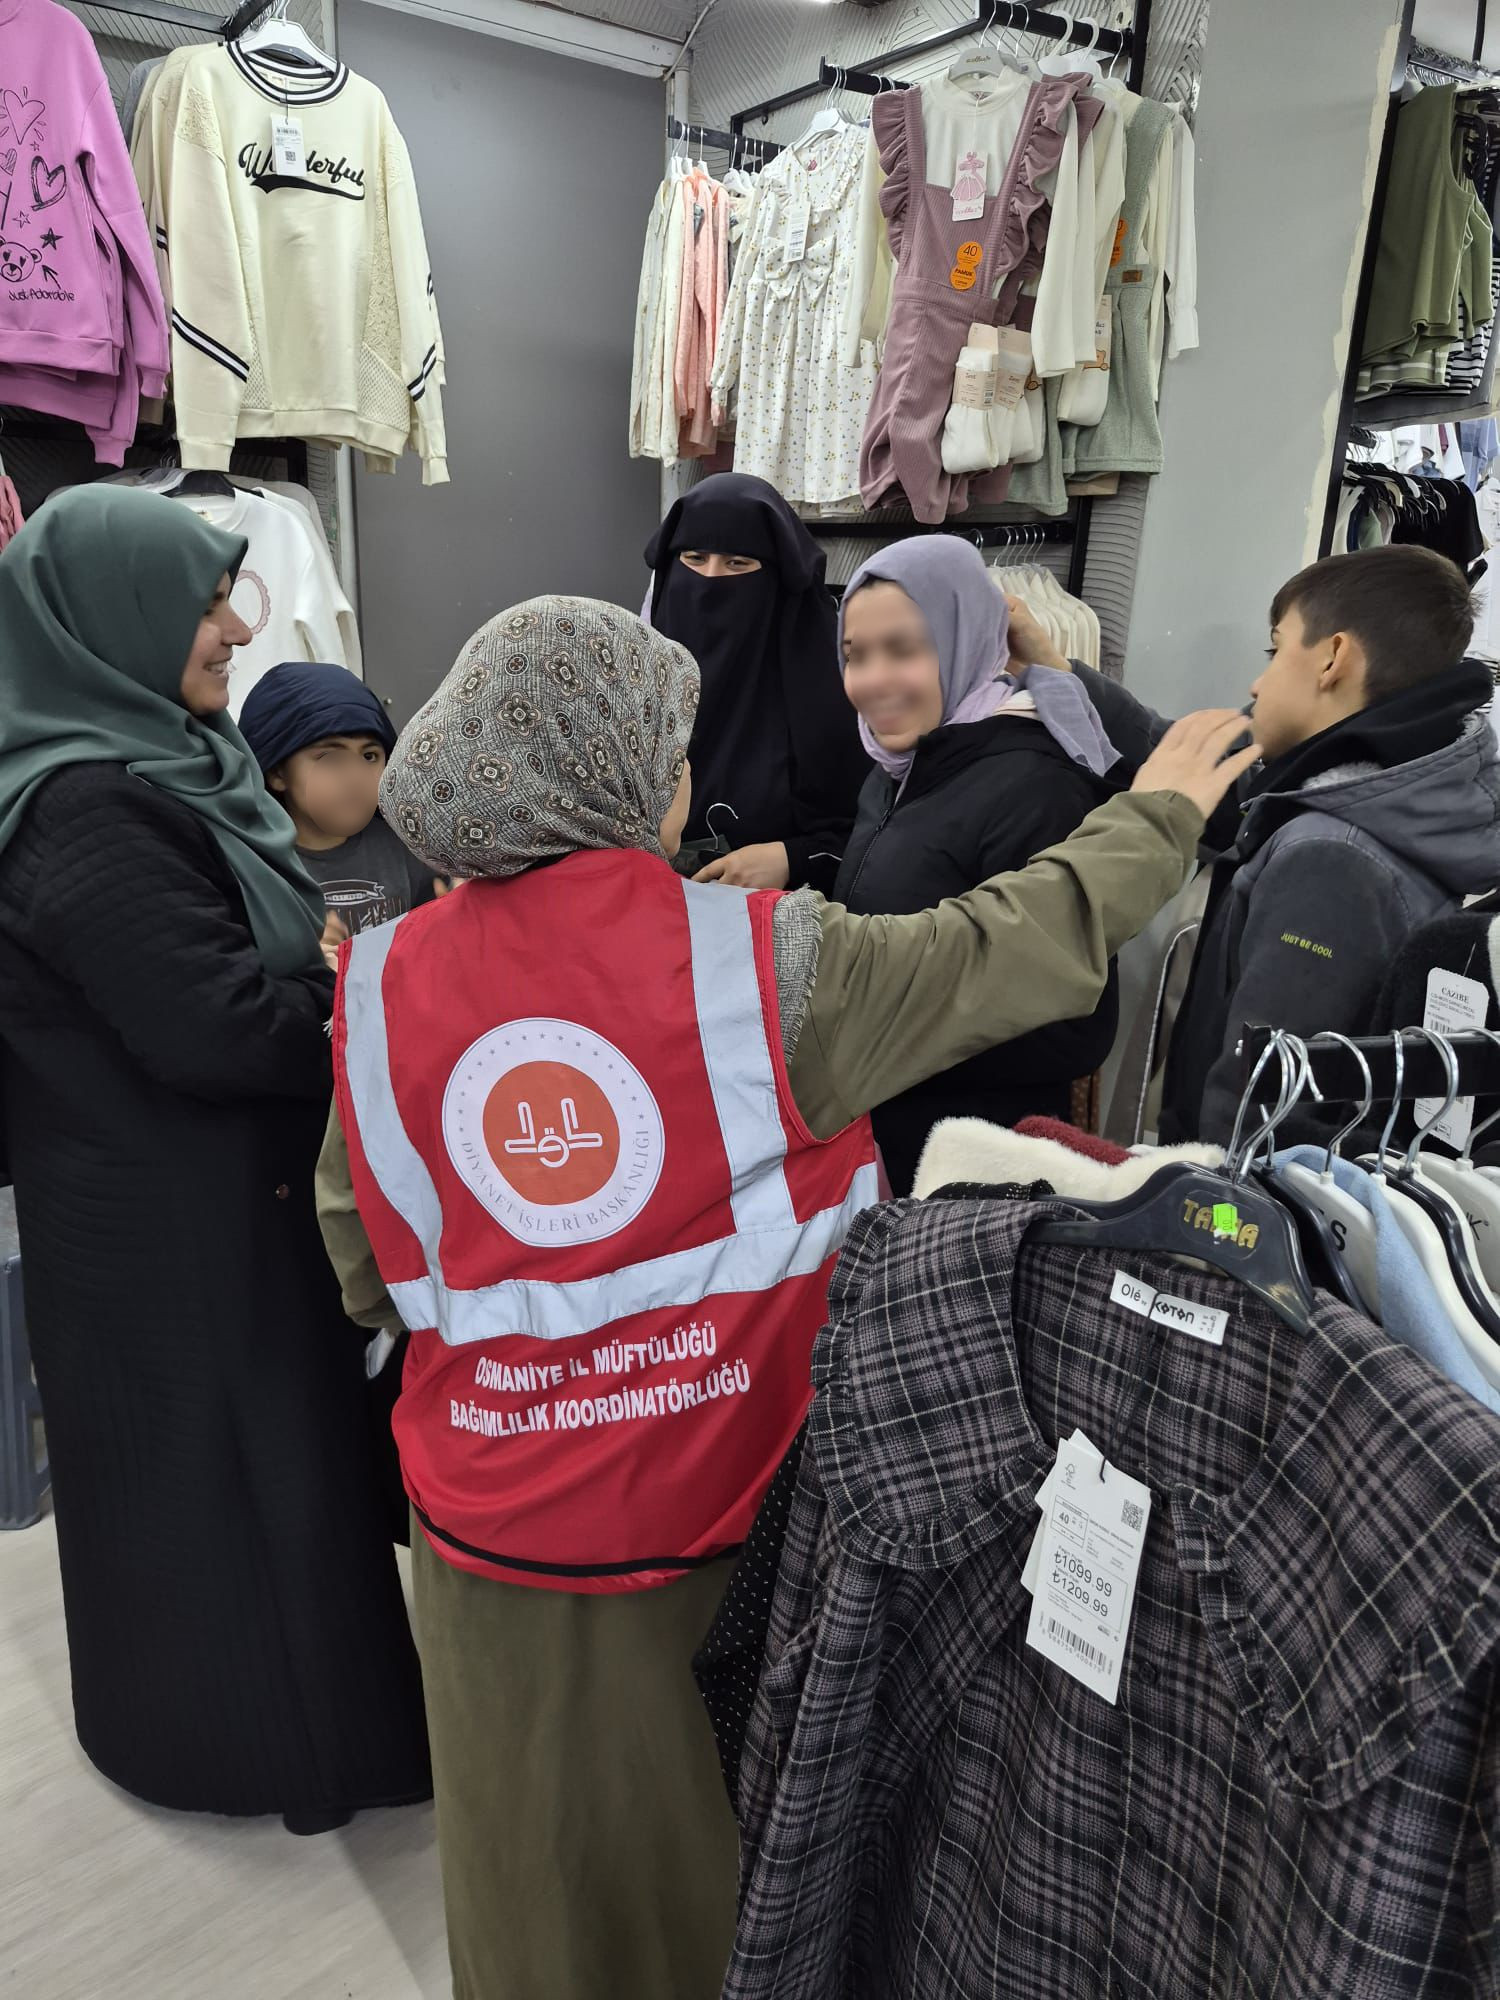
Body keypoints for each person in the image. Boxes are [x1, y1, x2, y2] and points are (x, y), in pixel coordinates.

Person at [314, 592, 1257, 1998]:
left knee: (528, 1895)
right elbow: (1013, 940)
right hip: (729, 1543)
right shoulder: (770, 968)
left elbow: (360, 1255)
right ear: (637, 775)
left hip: (480, 1547)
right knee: (732, 1893)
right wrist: (1160, 810)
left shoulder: (382, 977)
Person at [0, 487, 430, 1831]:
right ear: (110, 619)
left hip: (198, 1211)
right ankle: (266, 1758)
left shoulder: (154, 764)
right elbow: (223, 1032)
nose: (238, 626)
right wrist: (356, 989)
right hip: (171, 1242)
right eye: (203, 604)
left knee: (257, 1488)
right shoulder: (85, 811)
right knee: (230, 1497)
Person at [1009, 544, 1500, 1145]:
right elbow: (1203, 769)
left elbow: (1260, 1110)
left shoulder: (1332, 857)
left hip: (1227, 1213)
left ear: (1332, 659)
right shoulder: (1383, 789)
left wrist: (1198, 1223)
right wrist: (1055, 668)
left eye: (1275, 649)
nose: (1258, 680)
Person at [834, 536, 1125, 1195]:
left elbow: (1073, 1024)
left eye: (905, 650)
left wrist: (881, 1024)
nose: (874, 679)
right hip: (887, 1132)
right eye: (856, 656)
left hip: (975, 1164)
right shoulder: (898, 769)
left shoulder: (1034, 785)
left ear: (964, 638)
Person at [644, 470, 868, 891]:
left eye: (738, 563)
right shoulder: (631, 690)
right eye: (693, 559)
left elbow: (877, 841)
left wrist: (792, 858)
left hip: (785, 932)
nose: (709, 580)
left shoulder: (834, 697)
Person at [240, 659, 442, 935]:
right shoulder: (251, 864)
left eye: (369, 756)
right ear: (277, 772)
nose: (355, 776)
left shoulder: (407, 852)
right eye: (330, 757)